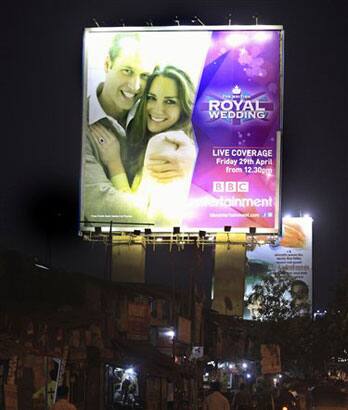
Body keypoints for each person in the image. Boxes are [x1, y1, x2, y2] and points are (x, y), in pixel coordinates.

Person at [83, 34, 196, 225]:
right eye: (127, 70)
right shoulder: (81, 127)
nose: (135, 86)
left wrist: (194, 161)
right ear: (107, 64)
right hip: (103, 246)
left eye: (144, 76)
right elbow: (104, 209)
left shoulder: (159, 128)